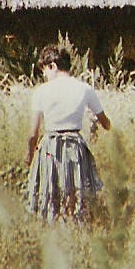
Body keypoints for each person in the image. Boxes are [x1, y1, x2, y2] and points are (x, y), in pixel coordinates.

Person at [25, 45, 111, 221]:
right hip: (75, 146)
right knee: (75, 194)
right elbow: (105, 123)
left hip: (50, 146)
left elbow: (33, 133)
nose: (45, 76)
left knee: (50, 194)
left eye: (45, 71)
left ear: (53, 66)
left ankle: (53, 230)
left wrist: (29, 155)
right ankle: (74, 227)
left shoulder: (41, 91)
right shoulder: (85, 89)